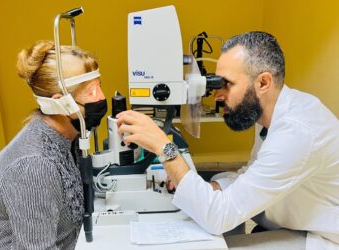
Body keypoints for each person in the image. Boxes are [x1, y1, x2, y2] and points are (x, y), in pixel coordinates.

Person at [116, 31, 339, 249]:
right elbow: (252, 174)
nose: (217, 95)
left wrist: (164, 147)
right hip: (291, 221)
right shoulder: (272, 114)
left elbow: (218, 217)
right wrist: (213, 187)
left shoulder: (296, 133)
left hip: (320, 237)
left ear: (263, 83)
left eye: (227, 84)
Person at [0, 40, 107, 249]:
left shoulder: (69, 140)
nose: (101, 98)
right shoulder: (35, 165)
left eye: (99, 87)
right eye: (91, 91)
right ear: (60, 102)